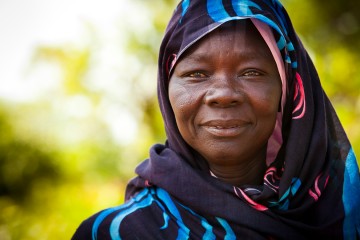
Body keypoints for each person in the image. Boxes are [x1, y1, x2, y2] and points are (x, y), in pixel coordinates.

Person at [72, 0, 360, 239]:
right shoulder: (114, 233)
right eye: (197, 73)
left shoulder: (339, 213)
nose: (223, 94)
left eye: (252, 72)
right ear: (166, 89)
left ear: (288, 92)